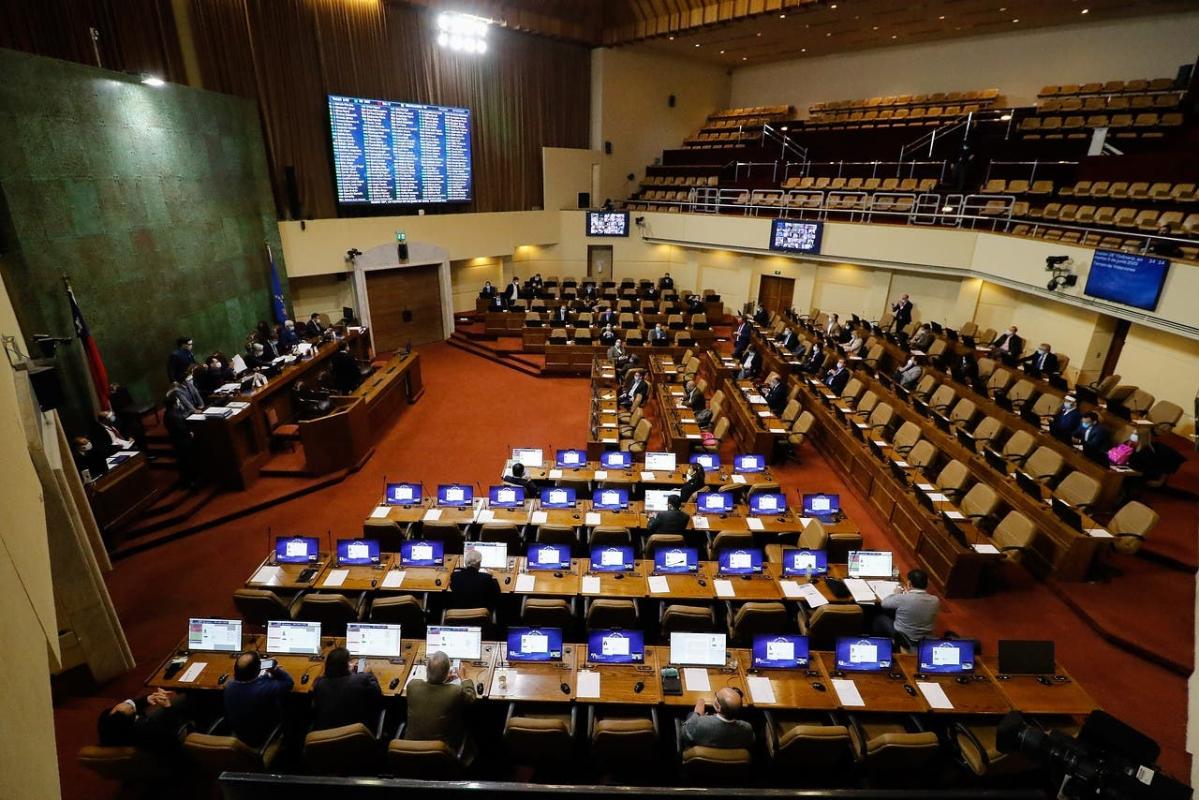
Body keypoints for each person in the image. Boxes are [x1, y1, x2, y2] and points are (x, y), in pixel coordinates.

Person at [404, 650, 476, 749]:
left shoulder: (412, 686)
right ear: (447, 672)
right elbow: (471, 697)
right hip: (441, 750)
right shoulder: (454, 691)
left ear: (426, 669)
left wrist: (441, 679)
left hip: (410, 749)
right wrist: (464, 679)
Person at [223, 651, 294, 748]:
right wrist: (275, 670)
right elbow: (289, 683)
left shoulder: (229, 686)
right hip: (263, 738)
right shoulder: (265, 688)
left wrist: (265, 677)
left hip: (240, 736)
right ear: (257, 670)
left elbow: (255, 684)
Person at [96, 689, 192, 755]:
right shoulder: (144, 729)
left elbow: (129, 709)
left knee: (181, 698)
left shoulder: (107, 718)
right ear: (135, 717)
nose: (130, 703)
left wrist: (146, 700)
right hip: (167, 741)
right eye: (131, 706)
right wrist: (167, 706)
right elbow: (170, 730)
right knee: (185, 702)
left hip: (149, 733)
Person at [311, 647, 382, 731]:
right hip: (355, 733)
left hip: (325, 733)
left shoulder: (319, 684)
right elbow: (377, 693)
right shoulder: (362, 679)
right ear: (346, 666)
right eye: (349, 662)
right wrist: (367, 673)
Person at [873, 569, 940, 644]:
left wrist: (896, 594)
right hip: (924, 639)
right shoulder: (935, 600)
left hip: (903, 638)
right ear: (927, 583)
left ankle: (880, 643)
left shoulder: (903, 598)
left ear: (909, 583)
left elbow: (884, 603)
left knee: (879, 619)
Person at [681, 688, 754, 750]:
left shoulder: (698, 724)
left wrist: (697, 713)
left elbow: (685, 734)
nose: (715, 697)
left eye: (716, 696)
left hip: (702, 757)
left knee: (690, 714)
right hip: (731, 760)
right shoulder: (747, 728)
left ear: (718, 707)